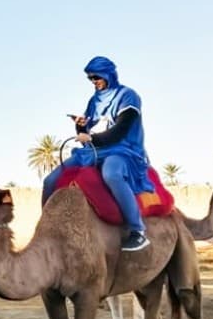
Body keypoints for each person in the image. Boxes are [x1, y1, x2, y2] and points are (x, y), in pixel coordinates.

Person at [42, 56, 154, 252]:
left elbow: (121, 130)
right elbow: (86, 133)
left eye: (96, 77)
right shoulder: (94, 101)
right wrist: (81, 126)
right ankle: (45, 231)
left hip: (122, 149)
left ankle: (138, 231)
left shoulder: (128, 96)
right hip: (94, 150)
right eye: (90, 78)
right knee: (50, 180)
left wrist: (92, 139)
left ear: (108, 74)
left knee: (112, 174)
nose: (94, 82)